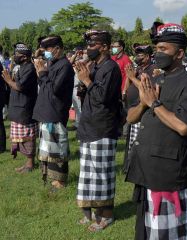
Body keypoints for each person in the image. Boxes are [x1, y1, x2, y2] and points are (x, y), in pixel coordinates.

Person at [125, 22, 187, 240]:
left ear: (179, 53)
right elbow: (130, 118)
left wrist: (155, 104)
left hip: (167, 172)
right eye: (156, 48)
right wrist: (143, 103)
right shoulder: (157, 79)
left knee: (167, 233)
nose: (157, 53)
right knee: (145, 231)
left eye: (163, 49)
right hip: (145, 168)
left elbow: (183, 126)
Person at [74, 29, 122, 232]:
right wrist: (83, 83)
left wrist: (87, 80)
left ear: (104, 47)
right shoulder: (96, 66)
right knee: (89, 174)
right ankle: (93, 212)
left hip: (102, 127)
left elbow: (103, 97)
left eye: (92, 45)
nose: (88, 49)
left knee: (102, 175)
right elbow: (91, 94)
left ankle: (107, 216)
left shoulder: (110, 68)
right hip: (89, 125)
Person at [32, 35, 74, 189]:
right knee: (48, 148)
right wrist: (41, 73)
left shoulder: (65, 66)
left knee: (58, 148)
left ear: (58, 48)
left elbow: (55, 89)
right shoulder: (52, 63)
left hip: (56, 111)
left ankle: (60, 181)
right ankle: (52, 178)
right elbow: (44, 85)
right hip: (46, 110)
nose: (46, 53)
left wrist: (43, 74)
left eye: (48, 49)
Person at [1, 43, 38, 172]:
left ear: (25, 57)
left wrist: (8, 80)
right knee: (21, 137)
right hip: (18, 107)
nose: (14, 56)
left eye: (17, 54)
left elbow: (20, 87)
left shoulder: (30, 68)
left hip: (25, 108)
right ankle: (27, 164)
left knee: (28, 137)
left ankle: (30, 164)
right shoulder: (21, 67)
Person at [123, 44, 157, 173]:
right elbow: (129, 82)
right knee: (131, 142)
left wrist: (132, 77)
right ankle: (130, 167)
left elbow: (148, 89)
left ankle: (139, 169)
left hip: (144, 111)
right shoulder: (139, 69)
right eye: (136, 55)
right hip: (133, 109)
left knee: (140, 142)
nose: (137, 57)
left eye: (140, 55)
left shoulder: (153, 69)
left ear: (148, 57)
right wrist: (125, 89)